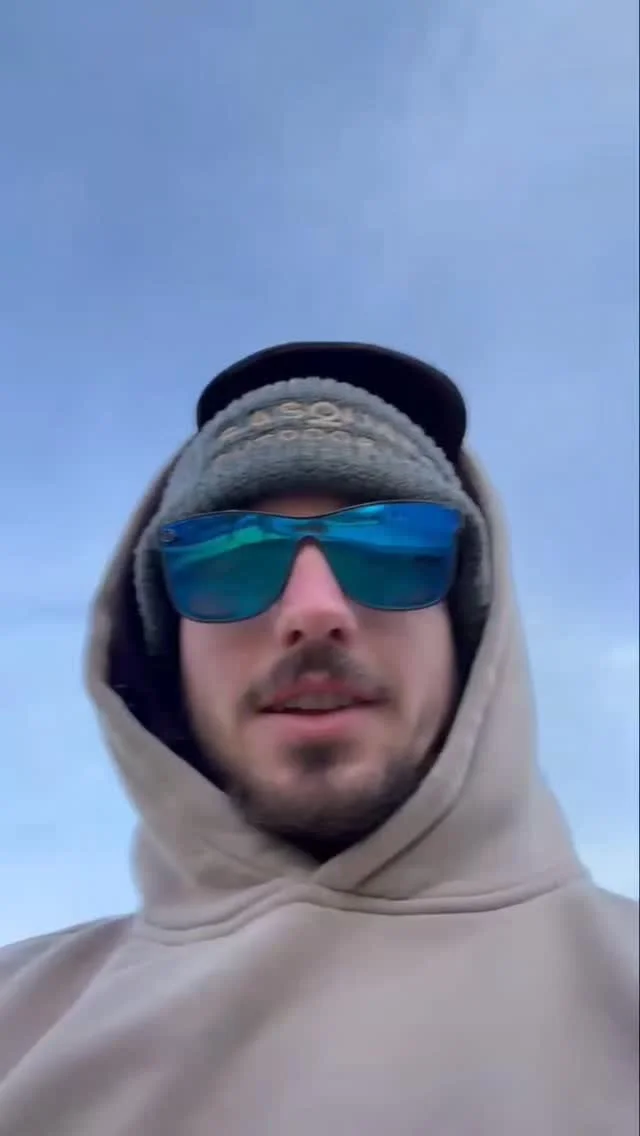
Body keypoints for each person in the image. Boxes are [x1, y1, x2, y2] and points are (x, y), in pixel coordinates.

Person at [0, 341, 637, 1135]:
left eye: (393, 547)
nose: (314, 610)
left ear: (472, 638)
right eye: (231, 557)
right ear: (163, 654)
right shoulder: (19, 1025)